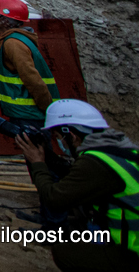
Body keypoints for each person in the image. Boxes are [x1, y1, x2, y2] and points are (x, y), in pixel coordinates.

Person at [16, 99, 139, 271]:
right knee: (77, 224)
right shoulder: (121, 151)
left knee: (64, 252)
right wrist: (49, 158)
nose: (60, 144)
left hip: (133, 252)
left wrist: (37, 163)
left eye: (59, 138)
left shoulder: (94, 162)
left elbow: (54, 198)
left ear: (72, 135)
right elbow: (76, 179)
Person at [0, 0, 60, 128]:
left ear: (4, 20)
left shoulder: (13, 44)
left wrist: (49, 111)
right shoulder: (18, 40)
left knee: (34, 148)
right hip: (28, 114)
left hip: (30, 115)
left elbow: (33, 80)